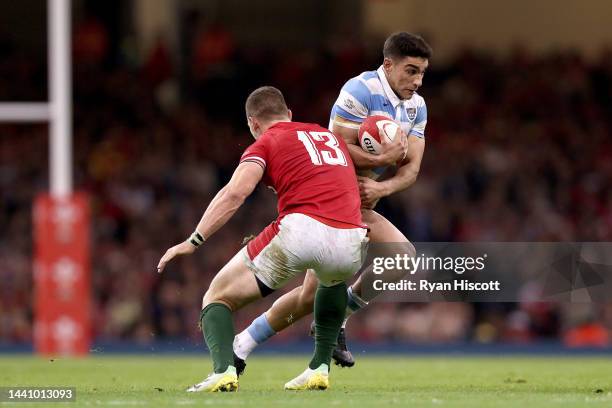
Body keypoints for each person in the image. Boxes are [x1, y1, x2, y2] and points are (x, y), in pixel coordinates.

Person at [233, 32, 431, 371]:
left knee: (315, 296)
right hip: (328, 196)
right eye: (411, 71)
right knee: (397, 257)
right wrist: (383, 156)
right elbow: (335, 145)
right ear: (388, 64)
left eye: (423, 72)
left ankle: (254, 339)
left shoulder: (417, 107)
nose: (418, 81)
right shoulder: (360, 91)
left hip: (363, 201)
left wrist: (382, 190)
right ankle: (246, 340)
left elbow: (411, 168)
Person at [157, 86, 369, 392]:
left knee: (217, 296)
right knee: (332, 281)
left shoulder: (267, 141)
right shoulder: (327, 135)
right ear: (290, 115)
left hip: (303, 229)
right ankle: (319, 367)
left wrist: (194, 240)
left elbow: (235, 193)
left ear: (253, 124)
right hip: (353, 235)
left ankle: (223, 371)